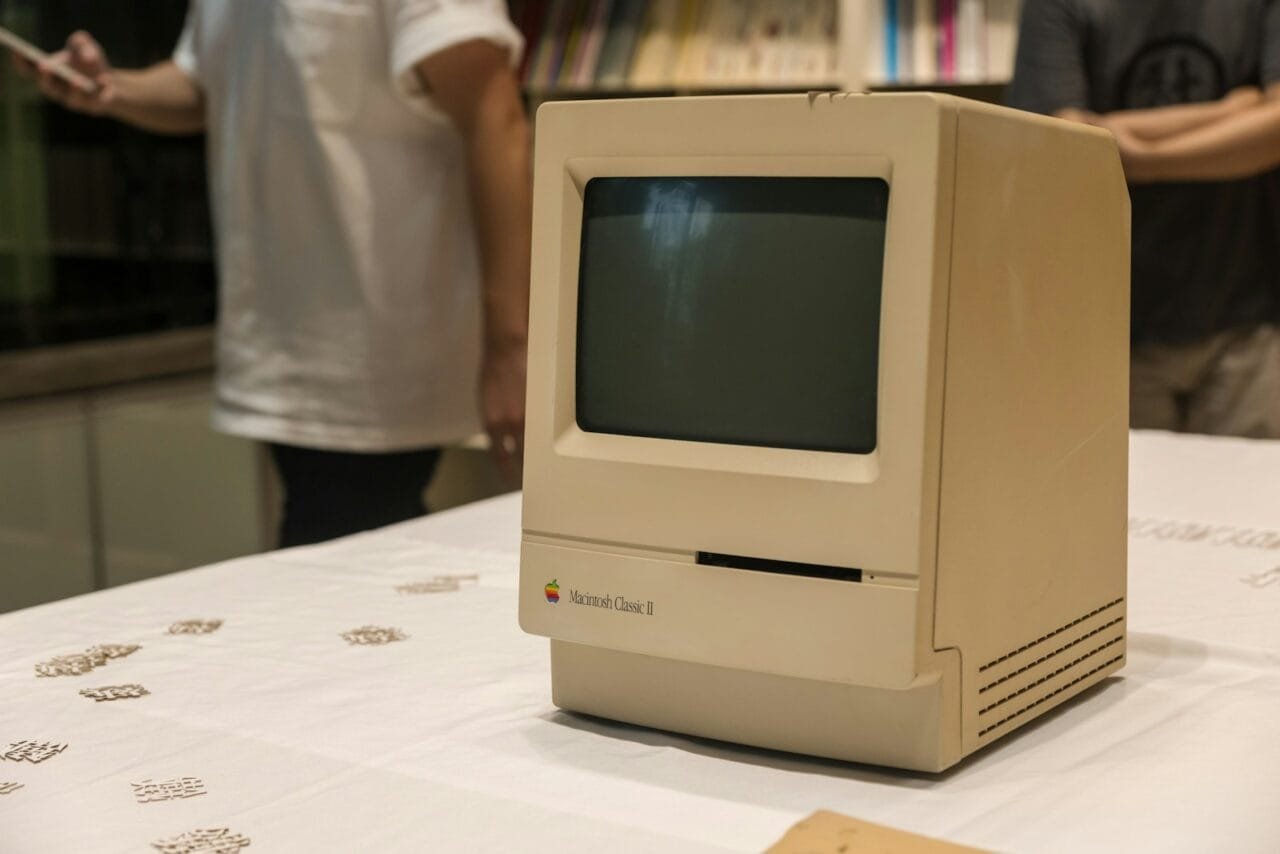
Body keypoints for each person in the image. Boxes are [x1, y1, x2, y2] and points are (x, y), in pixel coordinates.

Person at [18, 1, 532, 546]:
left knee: (355, 566)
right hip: (283, 339)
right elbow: (209, 82)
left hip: (377, 349)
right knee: (339, 568)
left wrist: (512, 346)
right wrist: (112, 88)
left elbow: (495, 118)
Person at [1008, 0, 1280, 438]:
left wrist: (1141, 156)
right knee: (1120, 503)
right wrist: (1233, 111)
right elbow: (1066, 145)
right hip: (1107, 328)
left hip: (1249, 321)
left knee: (1252, 498)